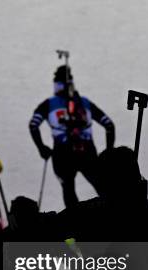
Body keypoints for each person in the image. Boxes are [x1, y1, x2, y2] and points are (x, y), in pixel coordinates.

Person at [29, 65, 115, 207]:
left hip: (62, 152)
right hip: (87, 151)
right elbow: (109, 125)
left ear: (56, 84)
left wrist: (41, 148)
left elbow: (33, 125)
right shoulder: (85, 103)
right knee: (103, 188)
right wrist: (109, 152)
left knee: (68, 190)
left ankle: (75, 223)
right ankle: (113, 214)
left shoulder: (49, 104)